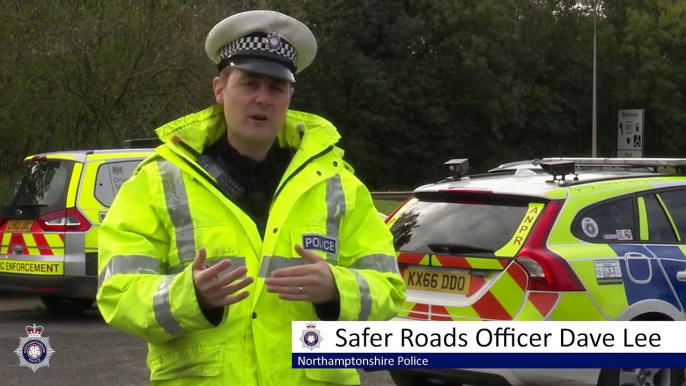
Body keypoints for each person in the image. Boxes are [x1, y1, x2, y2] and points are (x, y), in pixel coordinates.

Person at [96, 9, 406, 386]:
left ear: (290, 96)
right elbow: (118, 292)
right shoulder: (158, 181)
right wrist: (189, 295)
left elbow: (388, 288)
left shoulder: (338, 184)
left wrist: (336, 290)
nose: (263, 98)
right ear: (219, 89)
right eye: (250, 83)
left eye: (276, 87)